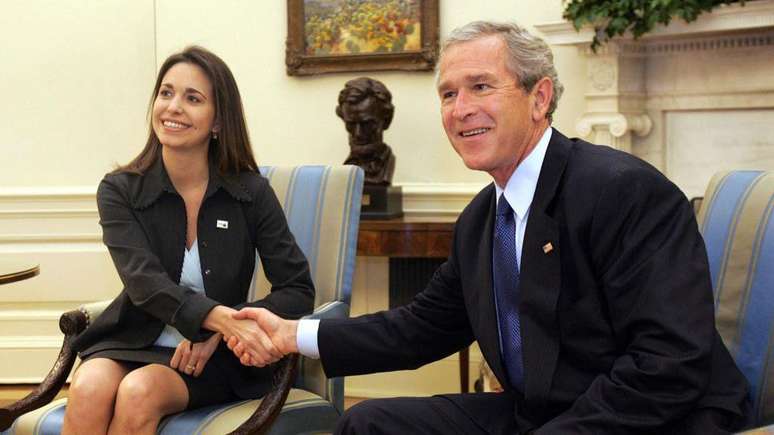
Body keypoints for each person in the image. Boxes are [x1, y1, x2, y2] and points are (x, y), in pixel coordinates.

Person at [230, 21, 751, 434]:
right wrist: (292, 335)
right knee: (369, 423)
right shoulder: (482, 219)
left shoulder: (623, 191)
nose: (461, 110)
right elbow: (421, 327)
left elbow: (667, 365)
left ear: (540, 97)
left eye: (480, 86)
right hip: (542, 412)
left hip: (651, 418)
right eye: (449, 94)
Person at [63, 46, 314, 435]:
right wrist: (219, 320)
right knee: (89, 385)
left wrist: (221, 331)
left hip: (220, 356)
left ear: (217, 121)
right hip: (134, 338)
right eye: (166, 93)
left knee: (139, 391)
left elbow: (297, 288)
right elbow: (144, 284)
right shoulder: (120, 190)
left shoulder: (250, 193)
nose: (173, 107)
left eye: (192, 98)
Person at [337, 77, 396, 186]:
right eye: (351, 124)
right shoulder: (346, 170)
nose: (358, 133)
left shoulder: (386, 166)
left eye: (367, 124)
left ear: (386, 120)